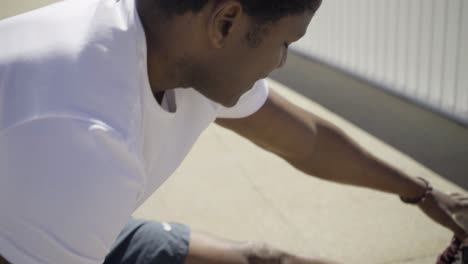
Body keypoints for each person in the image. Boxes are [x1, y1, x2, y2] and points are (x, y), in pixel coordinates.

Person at [0, 0, 467, 263]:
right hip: (41, 236)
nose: (282, 62)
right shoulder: (84, 137)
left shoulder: (177, 47)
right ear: (225, 22)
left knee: (267, 261)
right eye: (286, 43)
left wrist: (423, 194)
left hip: (61, 227)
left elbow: (306, 140)